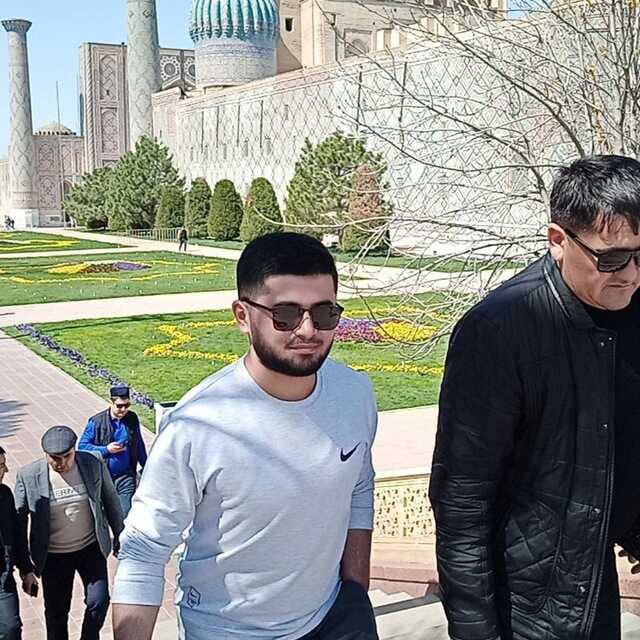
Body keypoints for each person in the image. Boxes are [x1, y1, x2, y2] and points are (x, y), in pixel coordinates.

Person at [112, 232, 379, 640]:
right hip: (228, 631)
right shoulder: (198, 425)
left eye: (325, 313)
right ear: (242, 315)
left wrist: (356, 590)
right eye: (286, 314)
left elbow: (359, 485)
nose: (308, 329)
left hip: (334, 617)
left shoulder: (355, 394)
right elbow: (145, 549)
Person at [430, 154, 640, 640]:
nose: (630, 274)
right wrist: (475, 630)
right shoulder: (498, 332)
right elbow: (462, 502)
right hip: (524, 604)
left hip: (595, 581)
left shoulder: (632, 308)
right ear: (558, 241)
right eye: (612, 258)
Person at [14, 426, 124, 640]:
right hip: (54, 555)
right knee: (57, 613)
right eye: (54, 458)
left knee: (99, 601)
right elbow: (19, 523)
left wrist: (120, 533)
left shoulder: (93, 463)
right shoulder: (28, 476)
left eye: (67, 456)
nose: (61, 463)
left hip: (90, 548)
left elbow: (110, 498)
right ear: (45, 454)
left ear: (74, 450)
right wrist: (25, 568)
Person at [78, 386, 148, 517]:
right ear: (111, 402)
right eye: (119, 406)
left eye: (127, 405)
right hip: (104, 477)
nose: (123, 410)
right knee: (105, 515)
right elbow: (82, 447)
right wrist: (106, 449)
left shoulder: (132, 418)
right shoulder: (96, 422)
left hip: (126, 476)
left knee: (124, 516)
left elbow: (139, 443)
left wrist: (146, 466)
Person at [0, 446, 37, 640]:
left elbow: (17, 535)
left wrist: (26, 570)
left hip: (3, 579)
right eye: (0, 466)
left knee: (11, 628)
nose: (5, 470)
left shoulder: (5, 495)